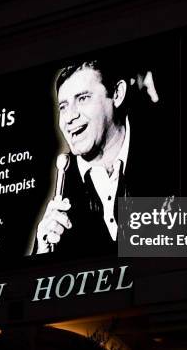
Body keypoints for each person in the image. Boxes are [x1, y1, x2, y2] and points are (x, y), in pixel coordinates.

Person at [35, 60, 157, 256]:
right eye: (63, 107)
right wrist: (43, 253)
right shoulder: (63, 193)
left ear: (117, 94)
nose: (69, 117)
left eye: (82, 98)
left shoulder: (171, 142)